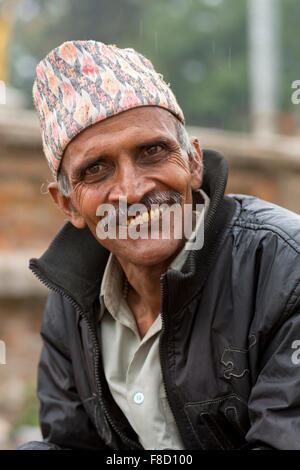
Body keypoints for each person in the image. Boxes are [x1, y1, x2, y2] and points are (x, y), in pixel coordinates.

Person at [16, 40, 300, 450]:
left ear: (194, 161)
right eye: (96, 169)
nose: (131, 191)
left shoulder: (284, 272)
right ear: (67, 204)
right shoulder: (73, 302)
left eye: (152, 151)